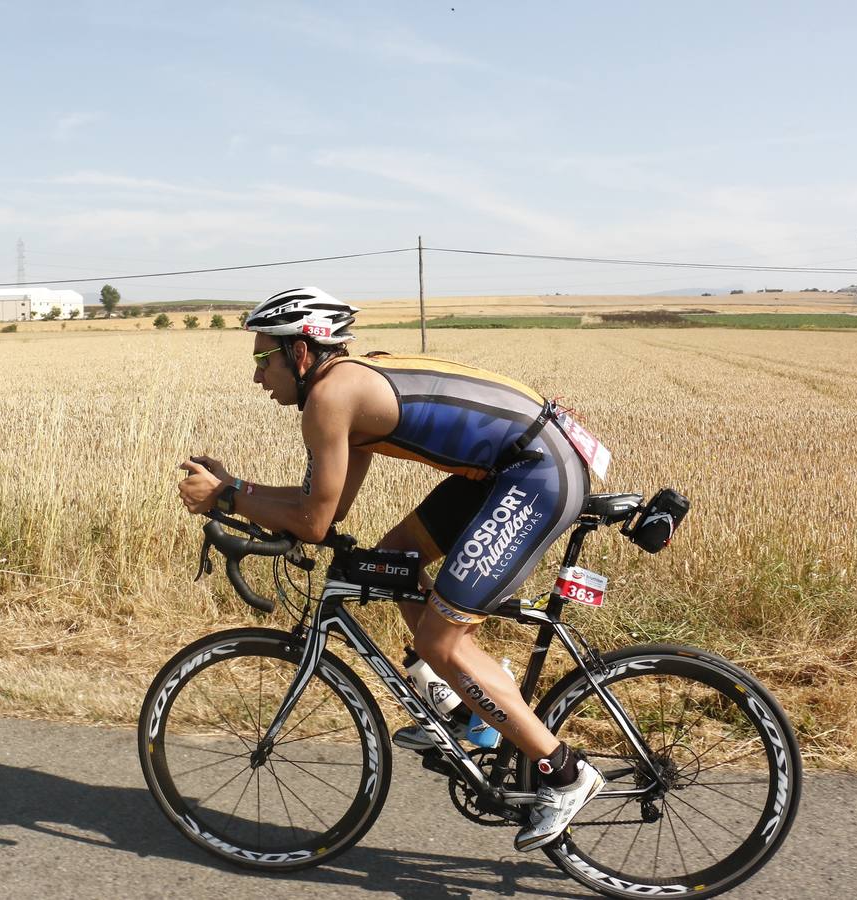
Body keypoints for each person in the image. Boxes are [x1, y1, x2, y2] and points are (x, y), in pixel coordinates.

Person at [177, 286, 604, 852]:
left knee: (441, 640)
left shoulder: (331, 399)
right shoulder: (347, 386)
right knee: (389, 563)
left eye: (263, 357)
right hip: (510, 467)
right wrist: (237, 491)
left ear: (301, 353)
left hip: (533, 473)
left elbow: (311, 521)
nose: (259, 376)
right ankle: (465, 714)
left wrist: (229, 495)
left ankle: (564, 771)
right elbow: (324, 513)